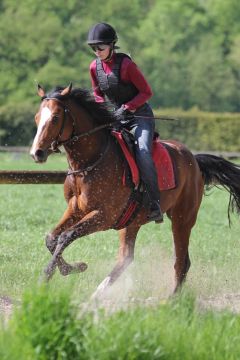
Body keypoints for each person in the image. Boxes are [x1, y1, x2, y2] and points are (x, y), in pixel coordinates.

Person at [87, 22, 163, 223]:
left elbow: (147, 92)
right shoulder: (94, 67)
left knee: (144, 152)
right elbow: (97, 93)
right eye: (93, 48)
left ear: (112, 45)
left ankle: (155, 203)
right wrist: (106, 111)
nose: (97, 52)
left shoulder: (127, 66)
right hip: (114, 118)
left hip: (139, 118)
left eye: (100, 48)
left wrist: (126, 108)